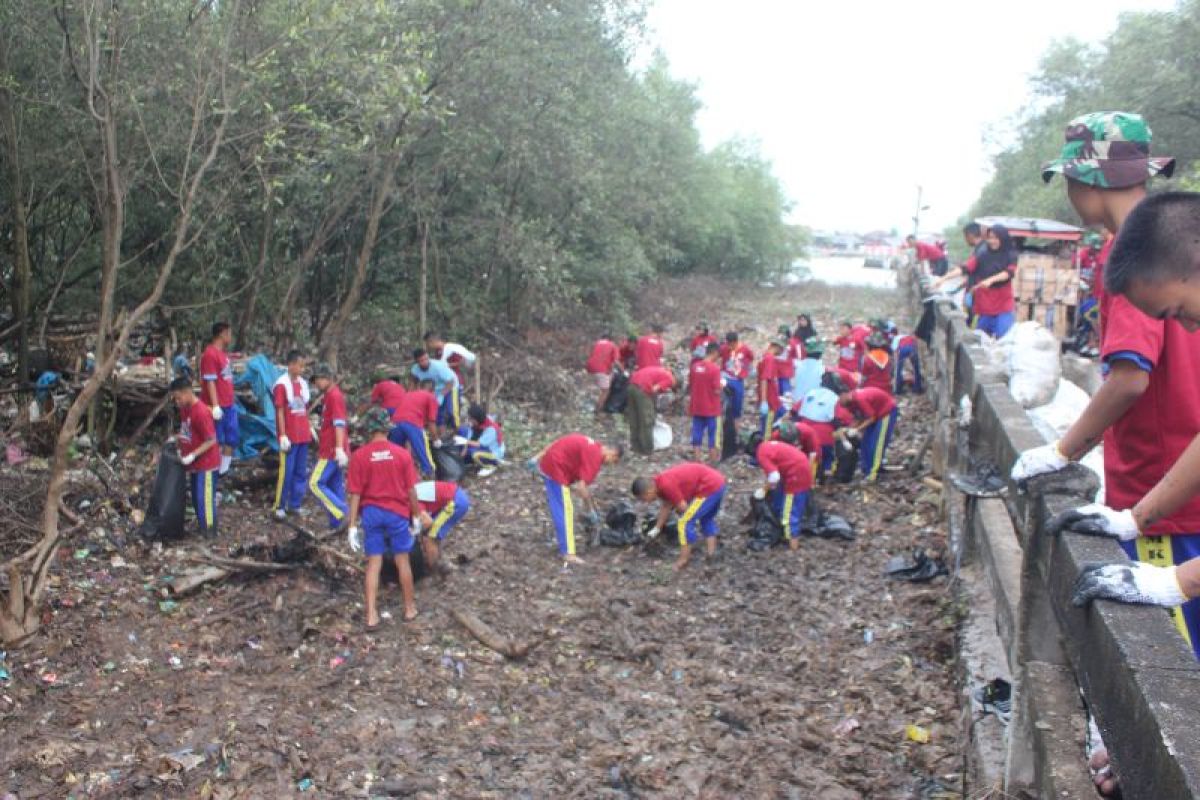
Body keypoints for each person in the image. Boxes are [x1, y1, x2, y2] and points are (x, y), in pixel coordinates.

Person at [1010, 116, 1200, 663]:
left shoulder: (1145, 252)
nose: (1185, 330)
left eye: (1177, 312)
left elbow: (1130, 377)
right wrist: (1134, 518)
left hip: (1170, 498)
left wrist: (1178, 582)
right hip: (1167, 492)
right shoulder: (1159, 249)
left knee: (1171, 669)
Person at [345, 408, 433, 627]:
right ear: (386, 429)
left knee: (373, 563)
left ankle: (371, 615)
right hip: (396, 512)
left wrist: (352, 526)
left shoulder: (359, 456)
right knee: (402, 560)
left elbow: (355, 494)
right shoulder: (402, 454)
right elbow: (411, 491)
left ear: (369, 430)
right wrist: (414, 516)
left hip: (371, 513)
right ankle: (409, 608)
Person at [527, 434, 623, 565]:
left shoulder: (590, 443)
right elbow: (581, 488)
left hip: (549, 464)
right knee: (565, 511)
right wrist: (590, 510)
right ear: (613, 454)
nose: (610, 463)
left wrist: (537, 457)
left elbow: (557, 442)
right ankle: (568, 553)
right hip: (557, 470)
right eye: (613, 461)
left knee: (559, 507)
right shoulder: (595, 457)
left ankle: (564, 546)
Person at [632, 462, 726, 571]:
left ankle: (683, 560)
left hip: (709, 487)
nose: (646, 503)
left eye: (644, 499)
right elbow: (666, 505)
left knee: (684, 522)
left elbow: (683, 508)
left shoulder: (665, 485)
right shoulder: (658, 484)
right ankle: (711, 554)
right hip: (718, 483)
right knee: (706, 519)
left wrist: (681, 513)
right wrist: (657, 528)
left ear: (648, 492)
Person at [170, 377, 220, 537]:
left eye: (178, 397)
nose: (176, 401)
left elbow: (211, 440)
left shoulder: (201, 412)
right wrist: (177, 439)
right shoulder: (185, 409)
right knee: (197, 498)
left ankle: (210, 532)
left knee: (204, 499)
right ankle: (203, 527)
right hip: (195, 464)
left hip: (206, 463)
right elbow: (187, 431)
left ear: (187, 393)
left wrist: (192, 455)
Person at [308, 362, 349, 529]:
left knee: (315, 484)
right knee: (334, 485)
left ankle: (341, 511)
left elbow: (339, 423)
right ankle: (337, 523)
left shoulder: (334, 396)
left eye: (317, 379)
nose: (316, 383)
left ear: (326, 378)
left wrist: (339, 448)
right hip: (332, 447)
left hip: (331, 450)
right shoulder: (329, 396)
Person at [273, 350, 312, 519]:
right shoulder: (281, 385)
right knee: (286, 472)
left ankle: (294, 504)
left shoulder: (303, 384)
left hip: (303, 434)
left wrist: (309, 428)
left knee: (300, 472)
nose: (302, 369)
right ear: (291, 365)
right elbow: (280, 410)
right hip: (289, 436)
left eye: (304, 366)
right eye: (300, 365)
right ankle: (279, 506)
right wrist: (282, 435)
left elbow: (304, 408)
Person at [754, 437, 813, 550]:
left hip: (795, 476)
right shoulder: (768, 445)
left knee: (789, 513)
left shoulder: (761, 454)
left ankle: (793, 548)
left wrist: (763, 490)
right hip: (803, 467)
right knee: (791, 503)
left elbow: (775, 477)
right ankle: (784, 532)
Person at [960, 225, 1018, 338]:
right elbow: (967, 267)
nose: (992, 241)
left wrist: (990, 280)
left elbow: (1008, 273)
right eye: (990, 238)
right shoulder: (983, 254)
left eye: (996, 238)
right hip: (984, 305)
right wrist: (944, 278)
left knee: (1003, 336)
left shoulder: (1010, 255)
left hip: (1002, 305)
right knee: (979, 338)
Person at [199, 322, 237, 476]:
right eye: (229, 333)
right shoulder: (210, 354)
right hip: (218, 406)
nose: (230, 336)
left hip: (229, 404)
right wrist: (215, 406)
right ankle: (213, 471)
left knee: (232, 438)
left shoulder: (223, 354)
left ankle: (223, 470)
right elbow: (210, 381)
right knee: (217, 440)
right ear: (222, 334)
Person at [839, 386, 898, 482]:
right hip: (873, 415)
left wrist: (857, 429)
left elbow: (872, 418)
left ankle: (873, 473)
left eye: (839, 399)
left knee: (877, 443)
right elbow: (858, 418)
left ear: (844, 395)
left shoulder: (860, 398)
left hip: (885, 412)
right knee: (865, 443)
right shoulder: (848, 404)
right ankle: (866, 469)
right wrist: (849, 429)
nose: (839, 403)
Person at [415, 479, 470, 577]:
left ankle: (434, 570)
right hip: (453, 496)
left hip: (455, 502)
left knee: (430, 537)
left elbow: (428, 522)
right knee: (431, 533)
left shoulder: (411, 500)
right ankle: (436, 560)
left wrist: (415, 530)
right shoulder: (410, 490)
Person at [389, 377, 439, 477]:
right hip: (412, 423)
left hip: (395, 423)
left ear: (419, 387)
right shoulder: (430, 397)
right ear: (433, 390)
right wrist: (436, 439)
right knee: (422, 450)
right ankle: (429, 473)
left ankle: (393, 474)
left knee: (393, 452)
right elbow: (431, 422)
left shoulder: (408, 394)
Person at [626, 364, 676, 455]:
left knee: (634, 418)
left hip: (631, 386)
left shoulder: (657, 369)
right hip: (642, 390)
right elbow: (654, 389)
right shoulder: (669, 378)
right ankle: (647, 449)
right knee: (647, 421)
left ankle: (635, 446)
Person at [411, 348, 461, 432]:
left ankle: (458, 431)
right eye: (422, 360)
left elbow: (450, 382)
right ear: (417, 362)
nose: (425, 362)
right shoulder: (415, 369)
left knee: (451, 410)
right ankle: (441, 433)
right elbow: (413, 382)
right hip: (434, 390)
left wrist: (441, 395)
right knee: (436, 413)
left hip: (451, 386)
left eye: (426, 359)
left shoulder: (437, 367)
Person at [797, 386, 840, 482]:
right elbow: (840, 418)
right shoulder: (835, 398)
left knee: (808, 457)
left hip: (806, 433)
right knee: (828, 457)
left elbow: (795, 410)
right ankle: (827, 474)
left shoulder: (810, 393)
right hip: (826, 435)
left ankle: (808, 480)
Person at [688, 343, 723, 462]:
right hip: (711, 408)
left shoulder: (694, 367)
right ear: (714, 353)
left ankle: (697, 460)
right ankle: (713, 461)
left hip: (697, 406)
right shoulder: (714, 369)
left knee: (697, 433)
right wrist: (722, 385)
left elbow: (691, 384)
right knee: (713, 435)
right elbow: (717, 390)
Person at [461, 402, 504, 476]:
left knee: (475, 454)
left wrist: (465, 442)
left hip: (492, 452)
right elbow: (469, 435)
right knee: (462, 432)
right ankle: (472, 462)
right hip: (482, 446)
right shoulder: (477, 423)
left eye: (471, 419)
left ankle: (491, 466)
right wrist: (464, 447)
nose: (469, 420)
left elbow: (479, 444)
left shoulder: (491, 429)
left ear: (477, 419)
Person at [719, 332, 754, 419]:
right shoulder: (724, 348)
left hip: (738, 379)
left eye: (731, 345)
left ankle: (734, 427)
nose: (729, 347)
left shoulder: (745, 349)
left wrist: (745, 369)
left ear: (736, 342)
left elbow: (751, 358)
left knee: (737, 405)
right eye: (728, 344)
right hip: (725, 377)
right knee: (723, 401)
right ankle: (722, 422)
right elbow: (716, 357)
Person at [586, 333, 621, 413]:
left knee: (594, 387)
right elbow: (616, 361)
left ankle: (589, 404)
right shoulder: (612, 345)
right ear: (610, 339)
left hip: (590, 367)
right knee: (606, 390)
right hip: (601, 369)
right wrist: (622, 370)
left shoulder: (596, 343)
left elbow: (589, 354)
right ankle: (597, 410)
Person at [758, 338, 785, 435]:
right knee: (767, 432)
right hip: (770, 402)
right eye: (781, 349)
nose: (782, 352)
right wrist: (764, 401)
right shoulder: (770, 359)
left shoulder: (765, 357)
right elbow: (764, 379)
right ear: (777, 347)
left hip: (772, 400)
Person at [891, 323, 923, 394]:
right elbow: (915, 342)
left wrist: (897, 362)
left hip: (903, 349)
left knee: (898, 370)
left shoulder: (895, 338)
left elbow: (895, 351)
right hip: (912, 348)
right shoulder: (908, 336)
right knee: (916, 369)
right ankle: (917, 388)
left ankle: (898, 389)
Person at [792, 336, 825, 402]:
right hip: (812, 405)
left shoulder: (797, 366)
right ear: (821, 353)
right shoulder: (823, 370)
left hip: (796, 403)